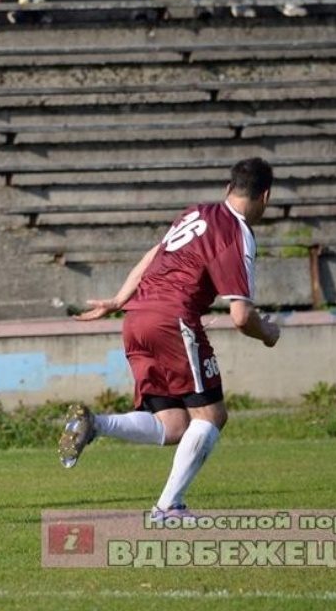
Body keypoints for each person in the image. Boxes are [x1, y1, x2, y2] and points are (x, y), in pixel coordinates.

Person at [59, 157, 281, 521]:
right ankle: (168, 507)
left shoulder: (195, 213)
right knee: (211, 416)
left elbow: (153, 254)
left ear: (229, 188)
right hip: (172, 321)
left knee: (174, 425)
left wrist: (119, 299)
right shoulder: (236, 231)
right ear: (266, 197)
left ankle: (95, 424)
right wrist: (268, 333)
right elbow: (241, 317)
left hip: (136, 318)